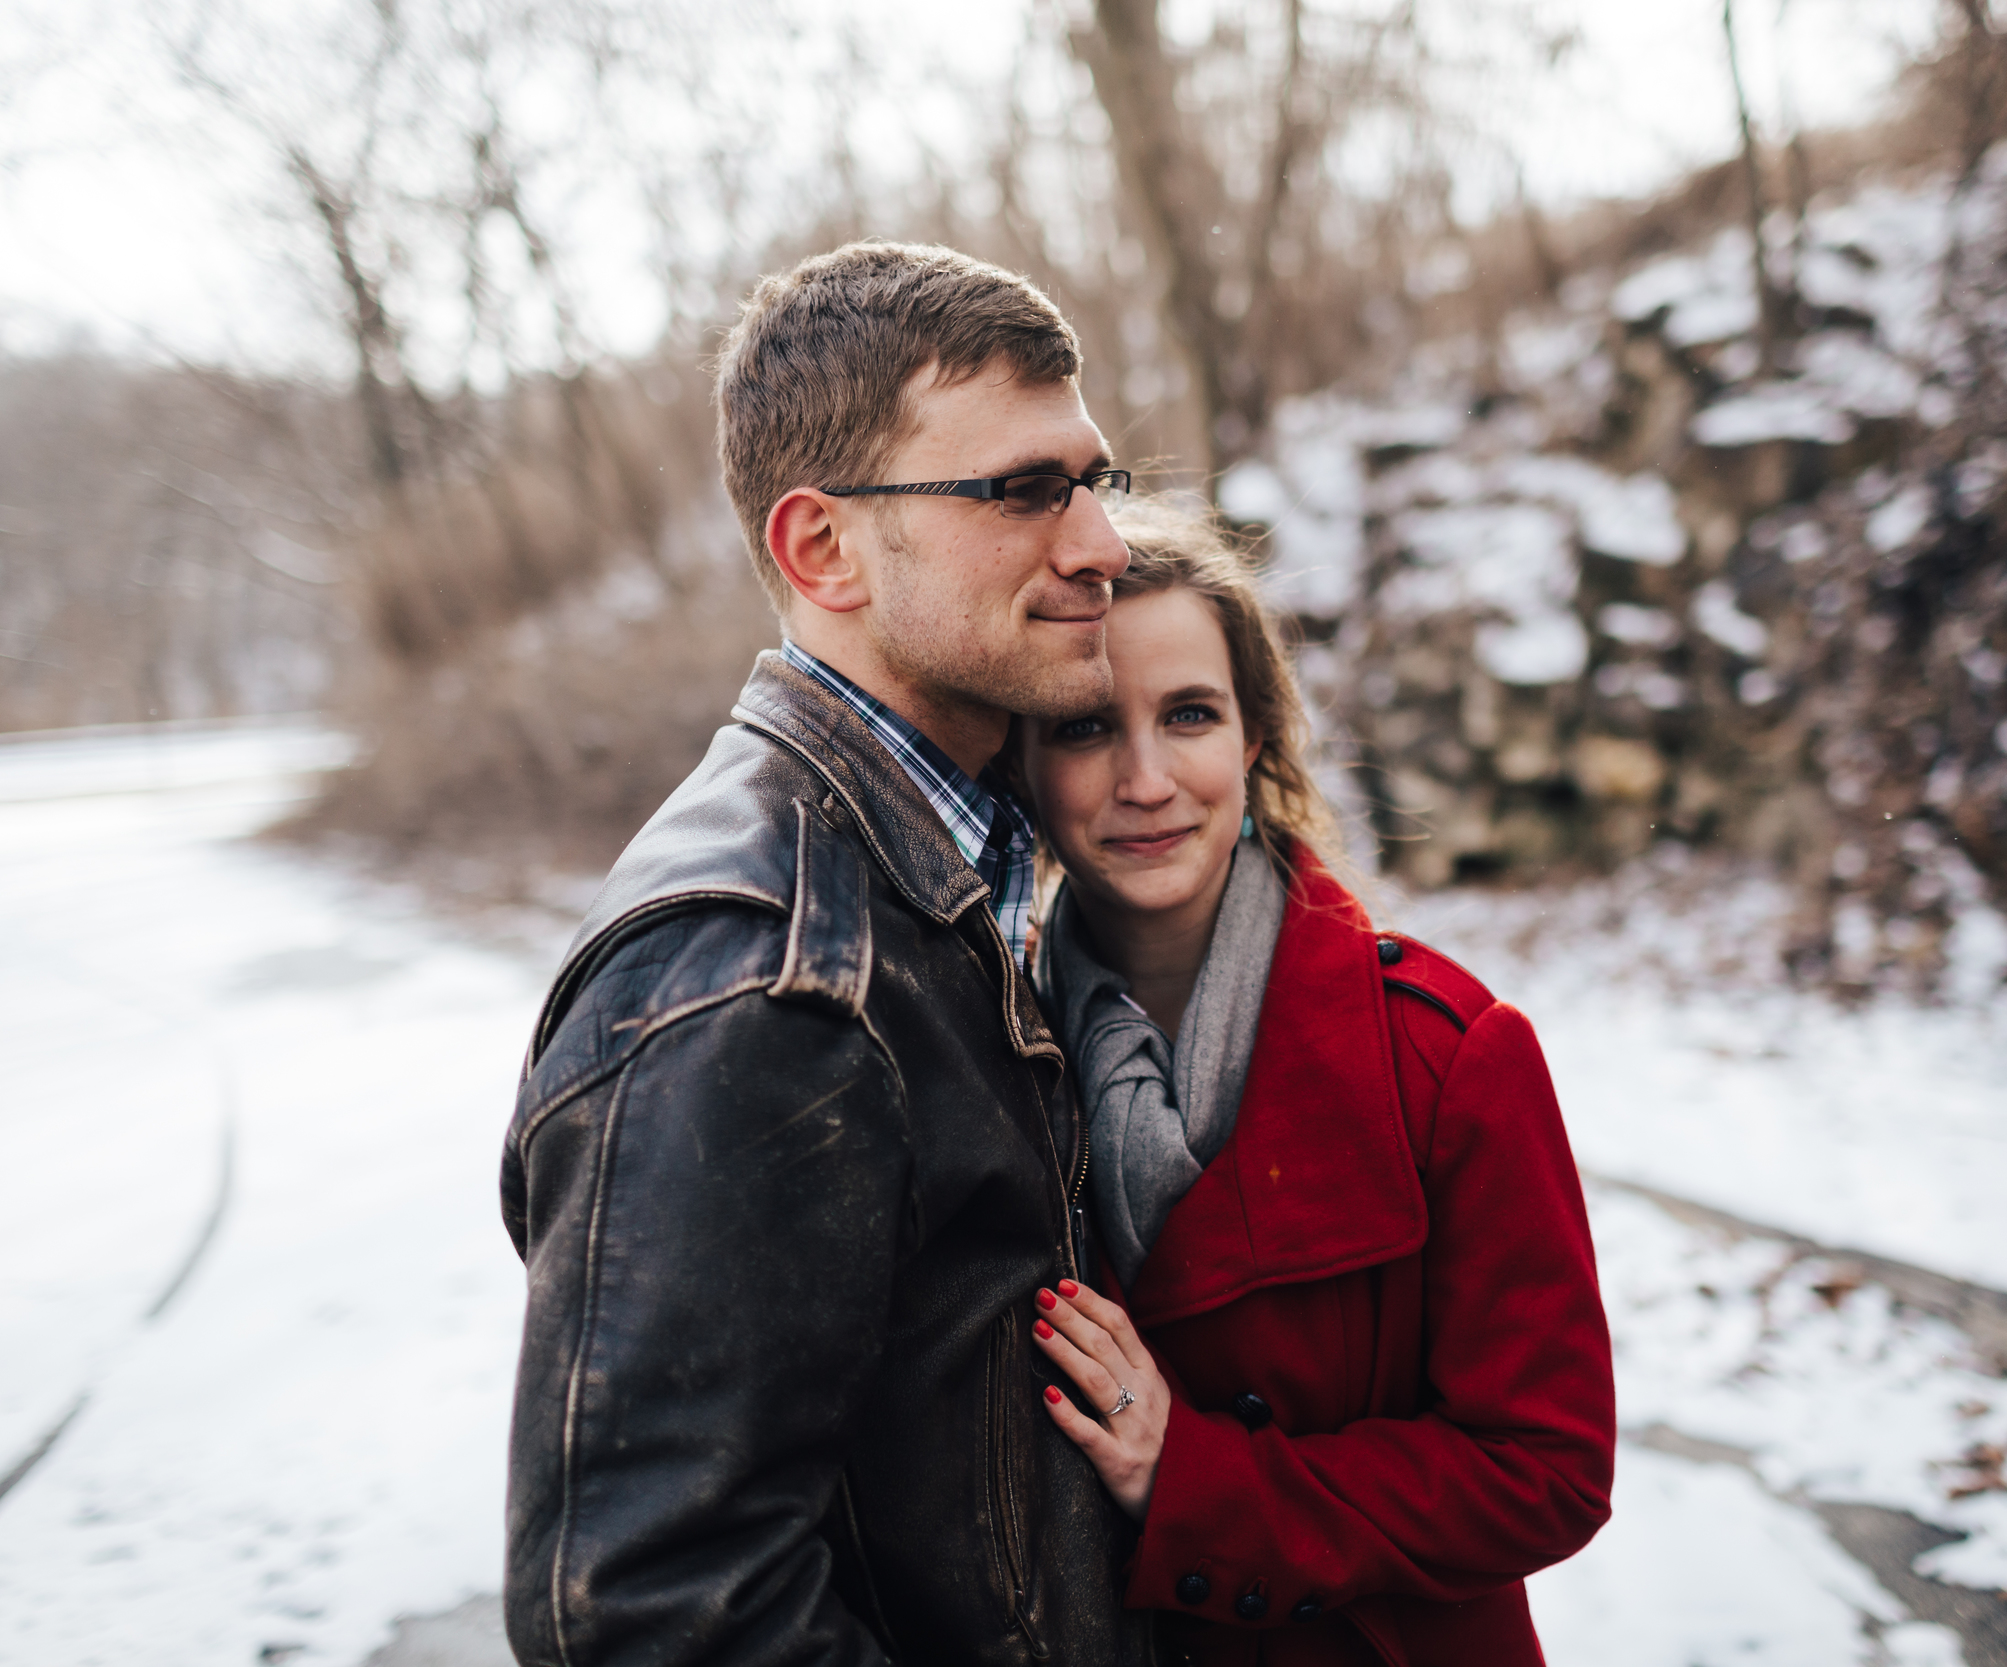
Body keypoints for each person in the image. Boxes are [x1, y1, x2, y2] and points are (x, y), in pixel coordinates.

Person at [500, 242, 1160, 1667]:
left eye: (1093, 479)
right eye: (1025, 489)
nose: (1104, 541)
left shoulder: (967, 861)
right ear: (824, 549)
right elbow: (653, 1614)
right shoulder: (756, 973)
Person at [1018, 500, 1616, 1666]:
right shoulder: (985, 1053)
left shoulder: (1447, 1055)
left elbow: (1549, 1469)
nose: (1144, 778)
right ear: (1024, 762)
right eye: (1086, 725)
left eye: (1188, 714)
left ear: (1250, 738)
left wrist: (1192, 1476)